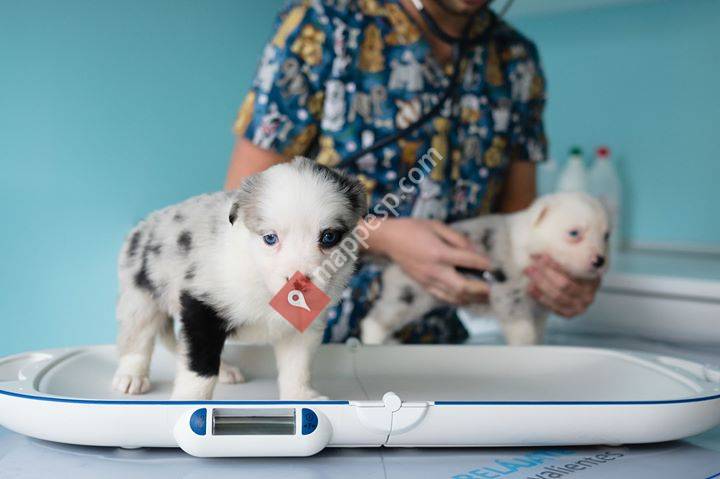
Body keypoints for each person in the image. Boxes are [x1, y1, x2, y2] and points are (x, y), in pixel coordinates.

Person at [225, 0, 601, 343]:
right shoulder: (324, 27)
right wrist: (384, 237)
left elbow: (519, 223)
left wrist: (562, 275)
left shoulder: (516, 58)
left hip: (438, 346)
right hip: (310, 332)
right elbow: (244, 209)